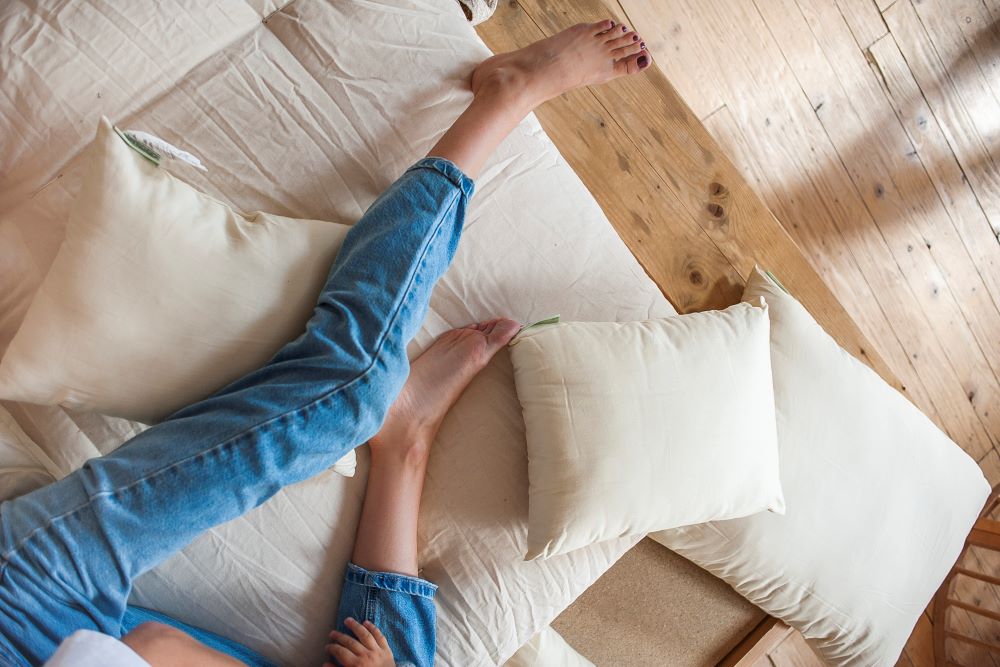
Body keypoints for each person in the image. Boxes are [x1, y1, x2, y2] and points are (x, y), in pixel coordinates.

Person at [0, 20, 651, 667]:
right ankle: (404, 445)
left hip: (26, 608)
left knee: (351, 389)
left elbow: (157, 648)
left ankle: (502, 98)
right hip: (83, 633)